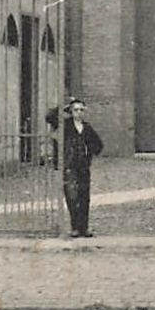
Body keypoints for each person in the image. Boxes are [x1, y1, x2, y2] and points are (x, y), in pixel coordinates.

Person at [57, 98, 104, 238]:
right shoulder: (65, 126)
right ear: (71, 111)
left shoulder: (87, 128)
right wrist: (65, 107)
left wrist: (89, 152)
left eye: (81, 110)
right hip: (69, 166)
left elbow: (98, 145)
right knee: (72, 196)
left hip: (83, 166)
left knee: (84, 196)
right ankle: (75, 227)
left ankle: (84, 227)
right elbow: (50, 117)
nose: (79, 112)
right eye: (76, 110)